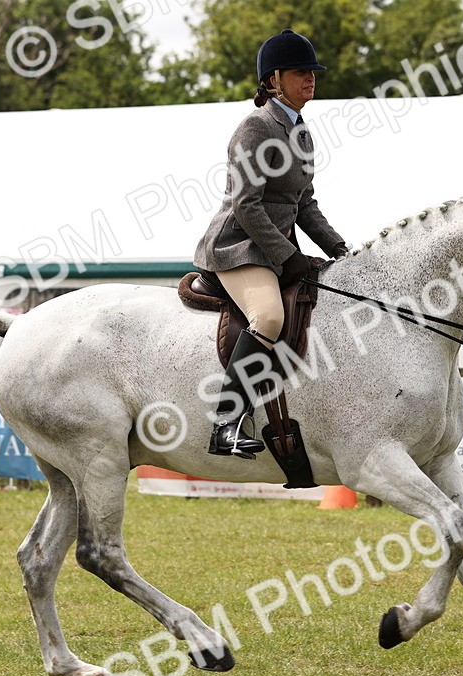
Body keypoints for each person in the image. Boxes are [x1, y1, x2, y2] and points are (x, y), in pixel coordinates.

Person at [194, 29, 348, 459]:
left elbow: (305, 204)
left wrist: (340, 250)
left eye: (312, 72)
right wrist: (289, 256)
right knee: (268, 316)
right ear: (273, 79)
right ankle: (225, 422)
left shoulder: (301, 132)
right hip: (239, 246)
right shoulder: (256, 127)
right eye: (301, 72)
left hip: (276, 248)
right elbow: (246, 204)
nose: (310, 79)